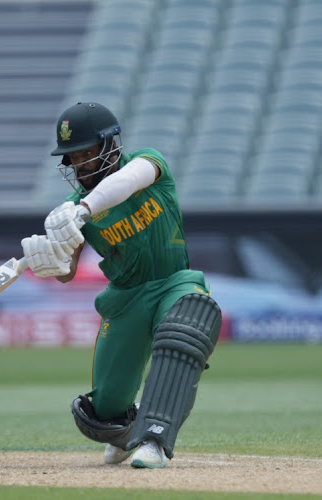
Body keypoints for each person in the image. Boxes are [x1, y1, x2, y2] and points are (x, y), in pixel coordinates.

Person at [21, 102, 221, 469]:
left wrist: (83, 210)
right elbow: (66, 270)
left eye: (86, 153)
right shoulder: (72, 210)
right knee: (101, 413)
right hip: (125, 299)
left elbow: (126, 182)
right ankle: (131, 427)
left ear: (111, 145)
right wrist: (47, 260)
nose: (79, 164)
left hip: (173, 282)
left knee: (186, 322)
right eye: (72, 157)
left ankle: (155, 438)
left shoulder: (147, 163)